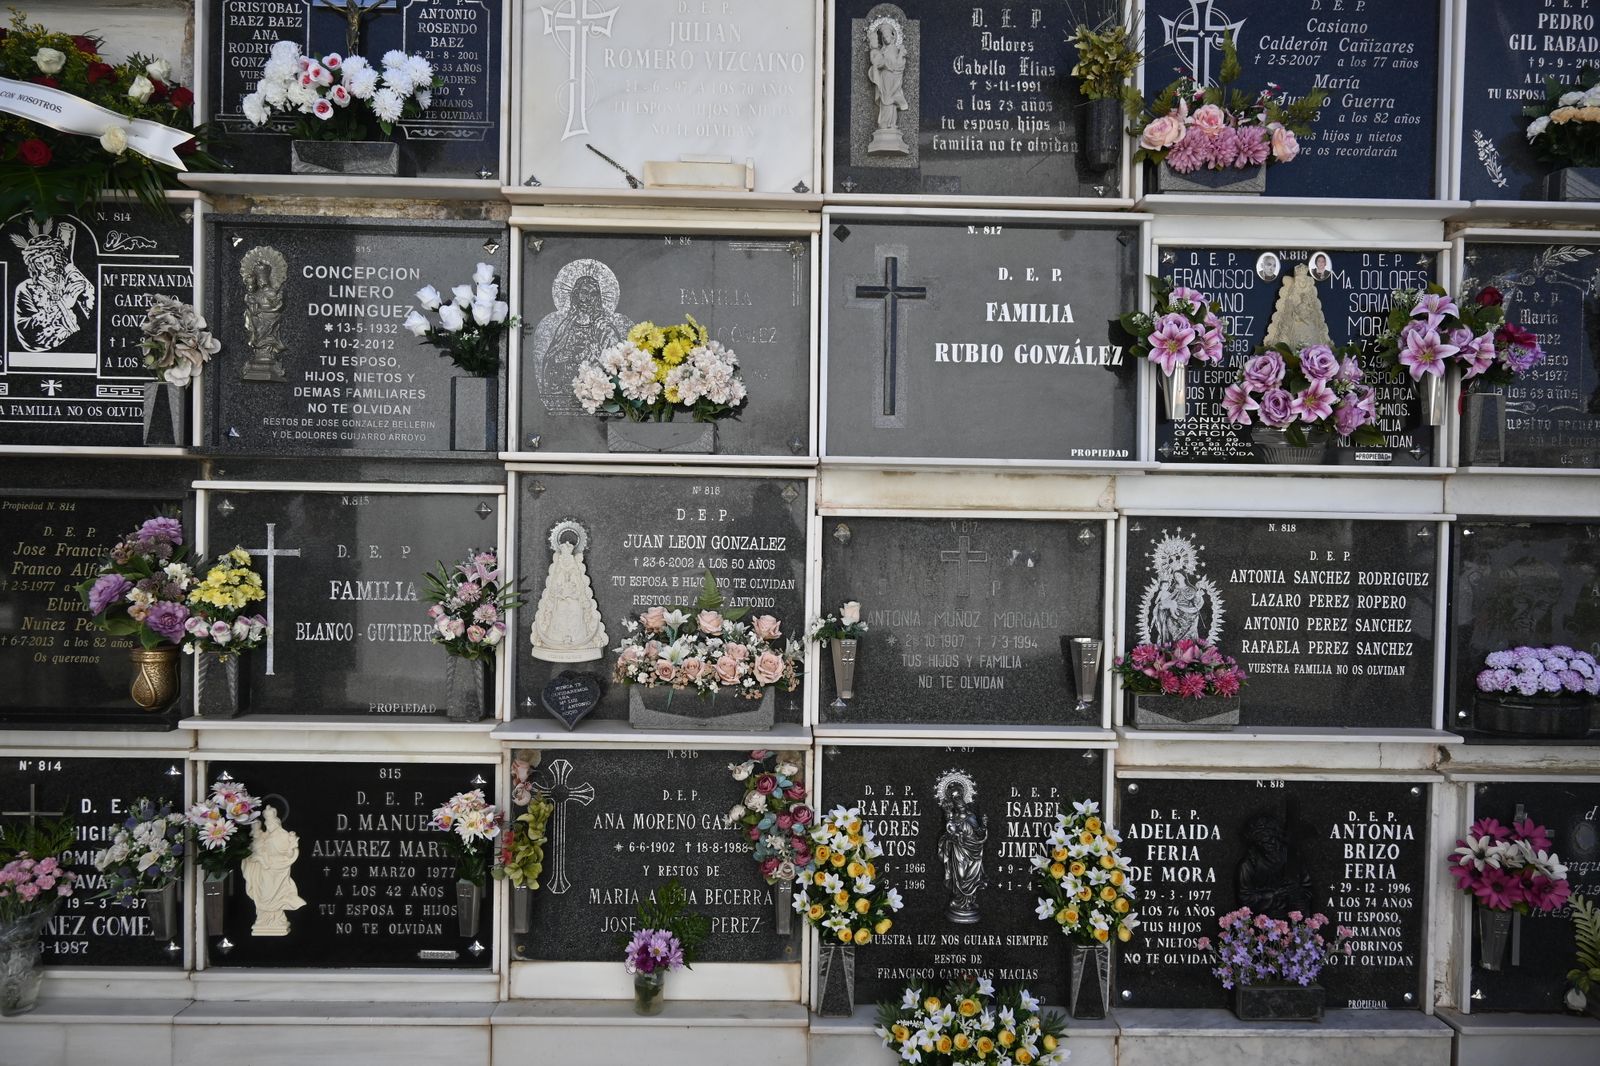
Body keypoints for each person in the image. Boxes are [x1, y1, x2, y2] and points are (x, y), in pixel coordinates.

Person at [242, 805, 305, 936]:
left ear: (276, 821)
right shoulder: (265, 835)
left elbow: (288, 854)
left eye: (269, 822)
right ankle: (264, 919)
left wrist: (292, 845)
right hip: (264, 869)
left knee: (271, 894)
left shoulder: (282, 835)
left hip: (275, 869)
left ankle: (276, 919)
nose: (267, 824)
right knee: (263, 893)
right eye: (266, 822)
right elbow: (256, 844)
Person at [938, 778, 986, 923]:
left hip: (973, 852)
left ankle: (969, 902)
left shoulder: (971, 816)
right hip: (958, 852)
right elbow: (949, 832)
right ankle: (960, 901)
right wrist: (949, 823)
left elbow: (979, 833)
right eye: (954, 797)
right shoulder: (953, 818)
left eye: (959, 796)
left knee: (971, 877)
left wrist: (983, 826)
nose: (958, 799)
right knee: (959, 875)